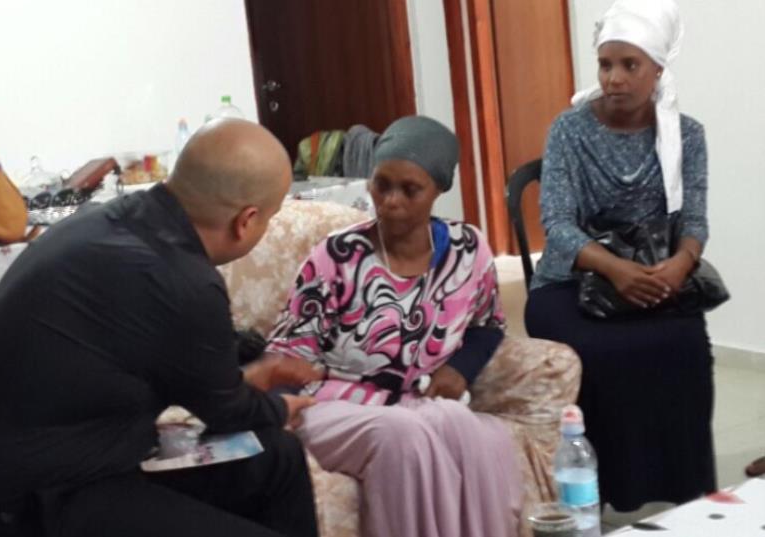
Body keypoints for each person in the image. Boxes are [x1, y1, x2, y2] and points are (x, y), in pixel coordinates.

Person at [0, 119, 323, 537]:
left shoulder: (106, 224)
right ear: (246, 220)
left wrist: (248, 382)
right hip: (28, 502)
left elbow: (196, 381)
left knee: (278, 459)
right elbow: (226, 410)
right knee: (271, 441)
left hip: (82, 460)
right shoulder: (182, 279)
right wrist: (280, 405)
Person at [266, 116, 523, 537]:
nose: (390, 201)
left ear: (439, 189)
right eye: (381, 184)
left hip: (414, 404)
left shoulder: (467, 250)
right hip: (329, 404)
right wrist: (272, 415)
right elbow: (289, 349)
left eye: (409, 189)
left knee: (473, 432)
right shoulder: (339, 255)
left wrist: (460, 369)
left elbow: (487, 323)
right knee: (402, 434)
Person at [525, 0, 716, 512]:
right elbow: (558, 226)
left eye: (630, 65)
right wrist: (614, 269)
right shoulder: (569, 130)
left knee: (684, 343)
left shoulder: (686, 134)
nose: (614, 78)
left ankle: (683, 490)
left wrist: (679, 265)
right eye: (606, 64)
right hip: (571, 277)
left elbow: (693, 221)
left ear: (657, 69)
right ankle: (602, 488)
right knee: (601, 352)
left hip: (654, 269)